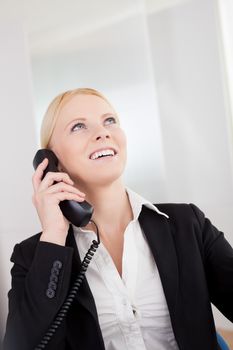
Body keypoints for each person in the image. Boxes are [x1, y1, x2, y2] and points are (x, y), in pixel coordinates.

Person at [3, 88, 233, 350]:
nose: (102, 132)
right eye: (78, 126)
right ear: (50, 161)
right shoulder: (34, 256)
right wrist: (54, 234)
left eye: (109, 120)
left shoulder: (187, 225)